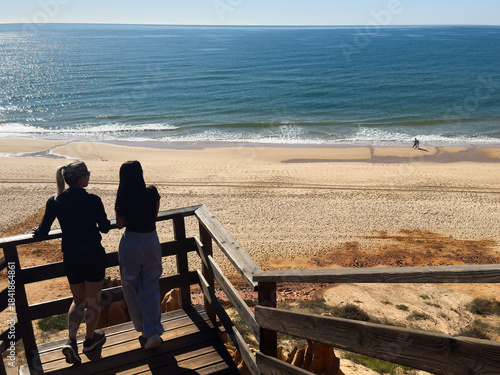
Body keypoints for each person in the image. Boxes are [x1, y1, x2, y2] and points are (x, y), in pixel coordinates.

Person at [33, 161, 109, 364]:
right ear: (82, 179)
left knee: (77, 300)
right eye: (88, 175)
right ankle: (90, 340)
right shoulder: (93, 200)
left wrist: (35, 231)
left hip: (71, 256)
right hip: (93, 255)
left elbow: (42, 232)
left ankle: (71, 341)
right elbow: (104, 227)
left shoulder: (55, 200)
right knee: (92, 300)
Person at [115, 160, 164, 350]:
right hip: (151, 241)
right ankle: (153, 332)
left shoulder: (124, 196)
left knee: (131, 287)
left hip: (131, 243)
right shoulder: (152, 192)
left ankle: (144, 330)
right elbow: (155, 215)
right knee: (150, 287)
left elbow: (120, 225)